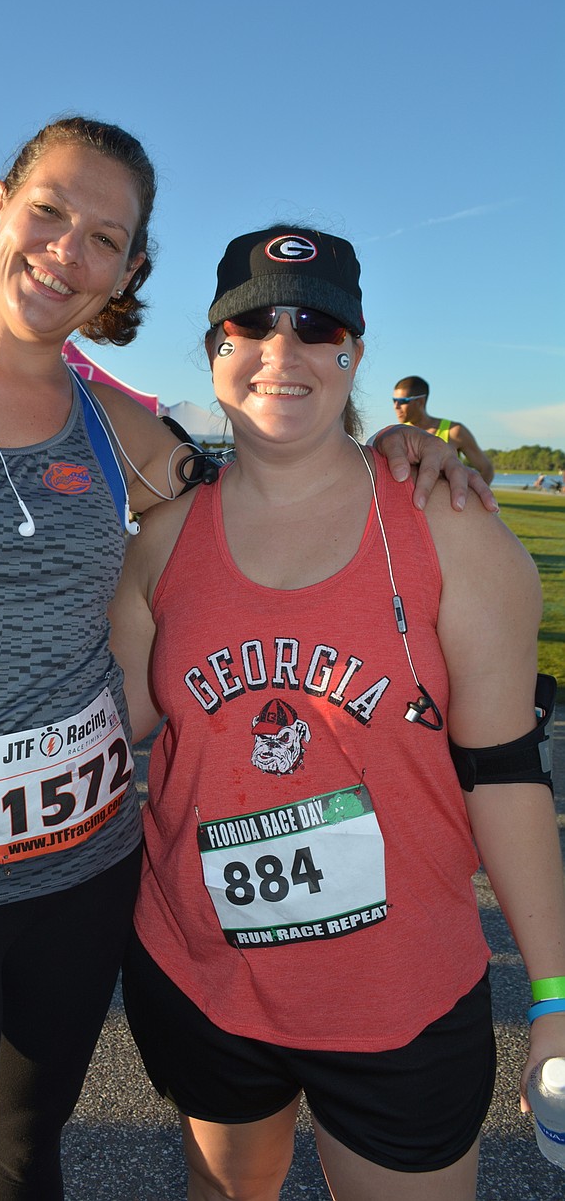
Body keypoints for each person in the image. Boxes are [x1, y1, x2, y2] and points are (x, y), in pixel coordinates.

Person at [0, 123, 487, 1201]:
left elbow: (271, 477)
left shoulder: (119, 426)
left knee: (25, 1161)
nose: (65, 251)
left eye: (104, 238)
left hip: (83, 876)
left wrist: (393, 455)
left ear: (127, 272)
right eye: (49, 213)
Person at [110, 224, 565, 1200]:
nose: (283, 352)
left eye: (315, 327)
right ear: (215, 353)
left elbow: (506, 775)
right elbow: (105, 727)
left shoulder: (449, 527)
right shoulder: (162, 538)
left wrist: (556, 997)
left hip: (398, 1003)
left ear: (353, 351)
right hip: (201, 980)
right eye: (252, 326)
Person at [392, 376, 495, 484]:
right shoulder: (399, 433)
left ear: (420, 401)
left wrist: (470, 498)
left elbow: (486, 470)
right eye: (394, 400)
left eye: (402, 401)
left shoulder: (454, 431)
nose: (396, 406)